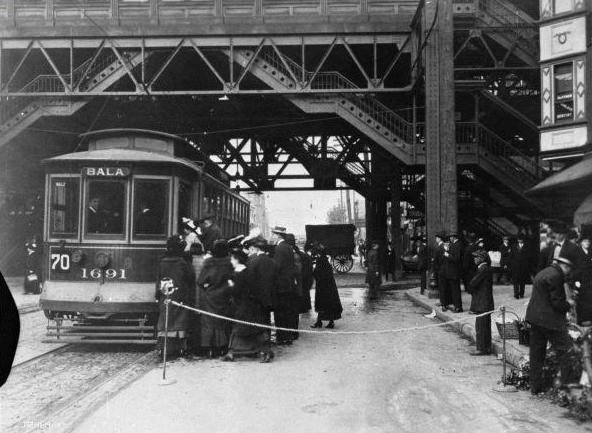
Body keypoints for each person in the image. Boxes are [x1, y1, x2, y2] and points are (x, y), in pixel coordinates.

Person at [525, 256, 575, 395]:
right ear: (565, 266)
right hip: (550, 321)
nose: (568, 272)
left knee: (536, 353)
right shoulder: (556, 276)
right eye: (569, 269)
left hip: (535, 319)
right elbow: (557, 303)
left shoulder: (545, 272)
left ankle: (535, 388)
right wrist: (568, 305)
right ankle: (565, 389)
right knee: (566, 351)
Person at [224, 249, 273, 362]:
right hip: (248, 304)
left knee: (246, 328)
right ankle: (233, 352)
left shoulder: (239, 273)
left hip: (243, 305)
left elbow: (236, 291)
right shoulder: (246, 271)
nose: (231, 261)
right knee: (252, 329)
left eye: (232, 258)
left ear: (237, 260)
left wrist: (231, 285)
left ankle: (265, 351)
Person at [156, 235, 196, 358]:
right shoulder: (183, 263)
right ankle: (180, 348)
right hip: (181, 296)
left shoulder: (162, 262)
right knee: (180, 321)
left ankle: (163, 348)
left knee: (165, 320)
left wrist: (157, 295)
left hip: (165, 295)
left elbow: (158, 280)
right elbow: (191, 279)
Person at [197, 239, 234, 358]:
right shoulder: (230, 262)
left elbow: (200, 281)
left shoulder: (208, 262)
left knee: (208, 322)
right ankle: (222, 347)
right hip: (225, 295)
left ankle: (209, 348)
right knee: (222, 322)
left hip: (210, 296)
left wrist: (207, 286)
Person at [243, 236, 276, 363]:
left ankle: (264, 351)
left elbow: (249, 281)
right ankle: (267, 349)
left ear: (256, 248)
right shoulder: (271, 261)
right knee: (266, 323)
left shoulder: (252, 262)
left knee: (258, 325)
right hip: (268, 300)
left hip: (255, 300)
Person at [270, 227, 298, 345]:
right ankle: (287, 336)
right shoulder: (287, 247)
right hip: (289, 285)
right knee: (287, 312)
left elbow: (277, 267)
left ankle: (282, 337)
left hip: (281, 286)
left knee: (280, 313)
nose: (272, 237)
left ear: (277, 236)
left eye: (273, 235)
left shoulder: (279, 248)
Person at [468, 250, 494, 355]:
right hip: (485, 302)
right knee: (485, 326)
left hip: (482, 302)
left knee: (481, 326)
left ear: (482, 258)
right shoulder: (484, 269)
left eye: (476, 257)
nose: (474, 259)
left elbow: (473, 283)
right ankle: (486, 348)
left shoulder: (483, 269)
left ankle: (481, 348)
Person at [311, 245, 343, 329]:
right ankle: (325, 321)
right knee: (329, 304)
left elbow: (317, 273)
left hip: (323, 287)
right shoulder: (325, 261)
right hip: (329, 287)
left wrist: (312, 273)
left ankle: (320, 322)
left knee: (322, 304)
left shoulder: (320, 261)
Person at [441, 232, 463, 313]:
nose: (450, 239)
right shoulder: (454, 244)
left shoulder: (457, 245)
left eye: (450, 237)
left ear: (454, 237)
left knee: (456, 290)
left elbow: (456, 259)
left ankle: (458, 307)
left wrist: (448, 255)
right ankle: (456, 306)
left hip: (454, 272)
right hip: (452, 272)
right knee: (454, 290)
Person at [577, 236, 592, 326]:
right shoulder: (578, 253)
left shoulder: (590, 252)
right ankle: (583, 319)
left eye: (588, 241)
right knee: (582, 300)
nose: (587, 243)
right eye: (585, 241)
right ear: (581, 242)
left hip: (589, 280)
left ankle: (589, 318)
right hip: (581, 279)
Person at [432, 232, 447, 308]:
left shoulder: (441, 246)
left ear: (440, 238)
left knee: (442, 287)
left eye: (437, 238)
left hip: (441, 269)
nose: (436, 239)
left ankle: (443, 302)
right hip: (440, 269)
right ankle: (442, 301)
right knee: (441, 286)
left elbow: (439, 259)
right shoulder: (441, 246)